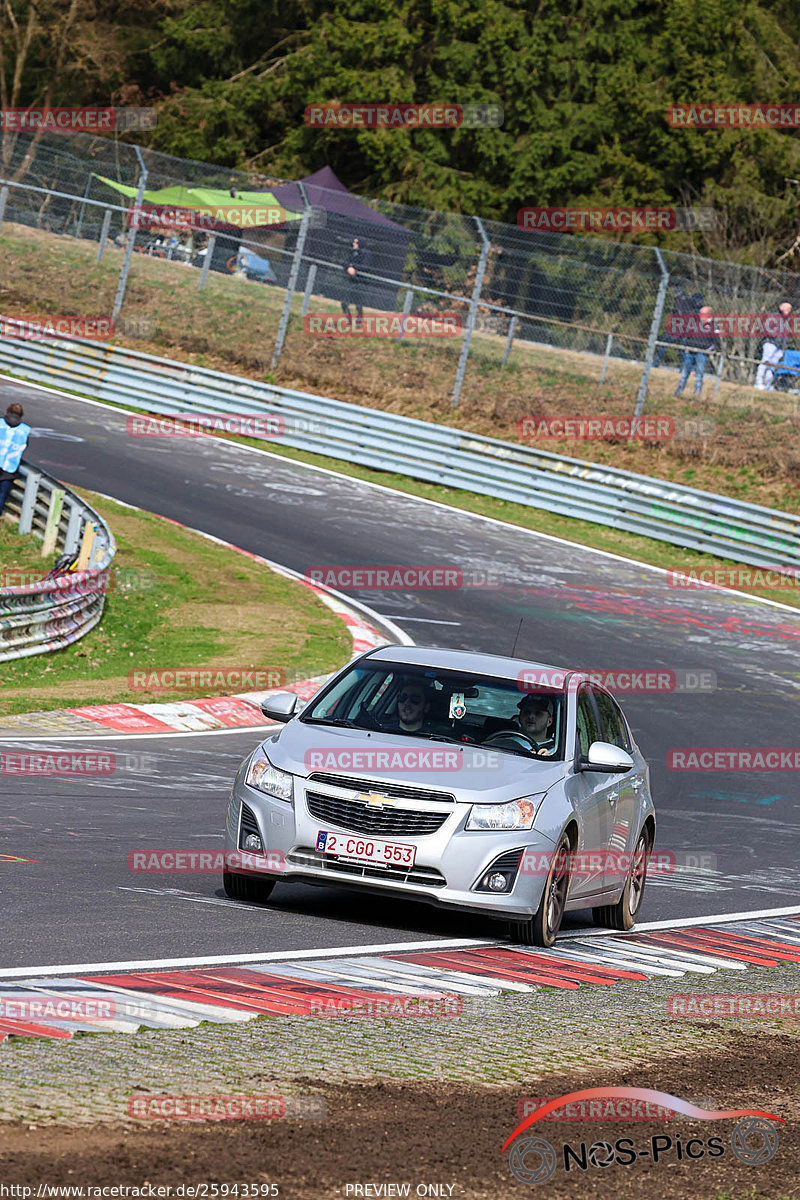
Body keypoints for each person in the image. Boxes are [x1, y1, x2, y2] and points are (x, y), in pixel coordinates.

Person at [674, 305, 719, 397]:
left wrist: (708, 350)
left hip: (701, 354)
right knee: (684, 374)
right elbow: (688, 334)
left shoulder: (714, 325)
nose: (700, 315)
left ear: (709, 314)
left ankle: (696, 395)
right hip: (690, 351)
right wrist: (686, 347)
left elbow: (716, 341)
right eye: (700, 313)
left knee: (699, 376)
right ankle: (678, 392)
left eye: (702, 313)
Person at [654, 288, 703, 368]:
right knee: (682, 349)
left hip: (679, 328)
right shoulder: (691, 303)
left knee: (665, 343)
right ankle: (682, 367)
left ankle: (657, 362)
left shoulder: (681, 302)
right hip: (686, 329)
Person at [0, 403, 32, 516]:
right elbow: (25, 445)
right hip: (10, 466)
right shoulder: (25, 430)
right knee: (2, 495)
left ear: (8, 411)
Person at [755, 301, 793, 390]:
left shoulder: (787, 320)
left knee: (772, 366)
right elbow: (766, 328)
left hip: (780, 346)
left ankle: (768, 385)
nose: (789, 310)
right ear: (781, 308)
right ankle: (758, 382)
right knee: (765, 361)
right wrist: (775, 336)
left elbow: (787, 334)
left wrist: (784, 345)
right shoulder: (773, 316)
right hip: (771, 343)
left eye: (790, 309)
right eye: (787, 308)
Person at [341, 236, 369, 322]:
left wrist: (354, 267)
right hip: (351, 281)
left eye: (356, 242)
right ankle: (348, 319)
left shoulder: (366, 254)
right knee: (344, 303)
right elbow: (344, 263)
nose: (353, 244)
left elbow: (366, 267)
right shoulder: (353, 252)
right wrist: (349, 268)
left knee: (358, 304)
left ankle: (359, 322)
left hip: (361, 282)